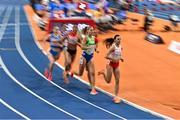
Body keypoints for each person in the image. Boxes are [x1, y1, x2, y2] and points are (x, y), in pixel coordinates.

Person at [72, 27, 99, 95]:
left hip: (90, 57)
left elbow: (95, 46)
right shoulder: (86, 38)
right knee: (80, 73)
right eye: (90, 30)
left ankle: (93, 89)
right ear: (87, 31)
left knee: (92, 73)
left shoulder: (95, 38)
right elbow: (82, 47)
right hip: (84, 57)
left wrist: (96, 49)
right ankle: (73, 72)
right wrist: (90, 47)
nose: (91, 31)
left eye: (92, 30)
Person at [98, 34, 124, 103]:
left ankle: (116, 97)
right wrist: (113, 59)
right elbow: (106, 56)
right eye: (118, 39)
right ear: (115, 40)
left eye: (120, 39)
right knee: (108, 81)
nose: (119, 40)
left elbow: (119, 54)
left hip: (117, 65)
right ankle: (103, 72)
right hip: (110, 64)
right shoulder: (113, 47)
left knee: (117, 80)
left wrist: (121, 58)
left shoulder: (120, 46)